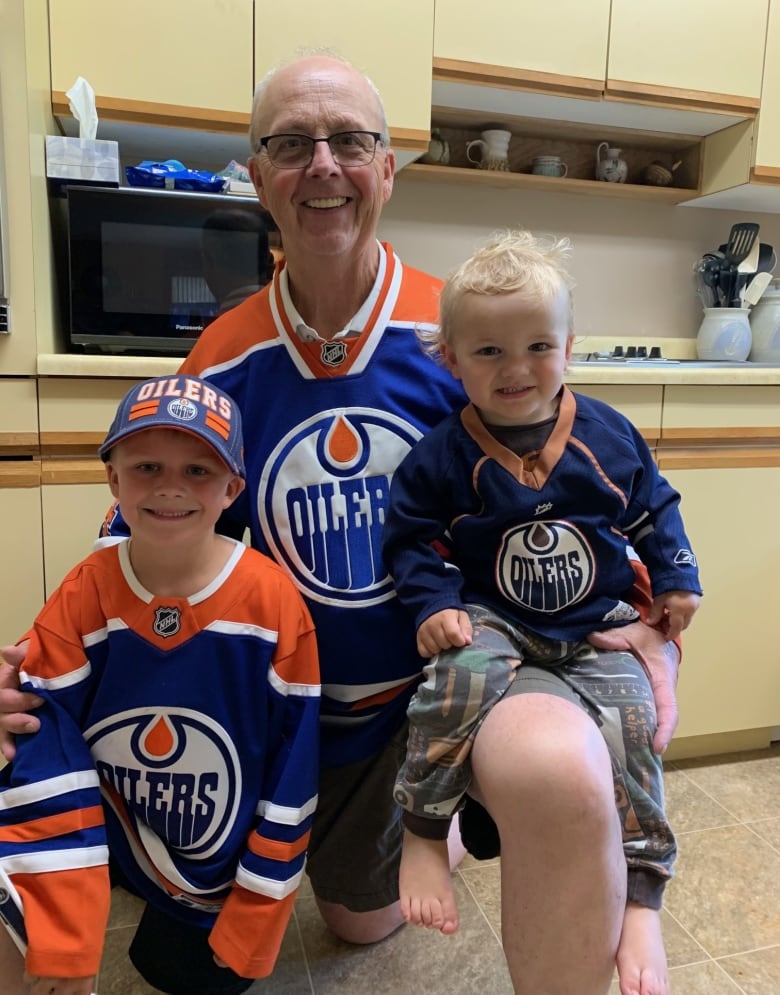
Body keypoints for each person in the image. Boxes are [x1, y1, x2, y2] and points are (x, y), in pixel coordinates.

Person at [0, 54, 684, 995]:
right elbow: (141, 542)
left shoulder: (466, 331)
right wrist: (33, 664)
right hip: (265, 714)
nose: (322, 164)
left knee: (554, 779)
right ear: (257, 178)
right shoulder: (221, 355)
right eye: (290, 144)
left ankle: (438, 817)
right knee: (253, 946)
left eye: (350, 140)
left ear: (387, 169)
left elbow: (592, 482)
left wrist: (653, 625)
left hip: (428, 695)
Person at [382, 229, 702, 979]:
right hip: (493, 618)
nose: (516, 367)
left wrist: (677, 577)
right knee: (451, 678)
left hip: (600, 625)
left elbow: (654, 510)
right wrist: (432, 602)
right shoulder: (439, 455)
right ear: (450, 359)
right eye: (488, 351)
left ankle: (644, 902)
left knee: (637, 730)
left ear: (570, 344)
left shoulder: (607, 434)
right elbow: (408, 542)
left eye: (537, 345)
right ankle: (425, 830)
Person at [0, 375, 320, 995]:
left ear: (233, 489)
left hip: (213, 859)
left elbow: (294, 769)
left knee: (185, 974)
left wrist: (256, 914)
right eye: (148, 466)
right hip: (118, 826)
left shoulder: (273, 601)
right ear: (114, 480)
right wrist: (62, 924)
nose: (171, 487)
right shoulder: (86, 589)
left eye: (198, 471)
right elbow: (39, 733)